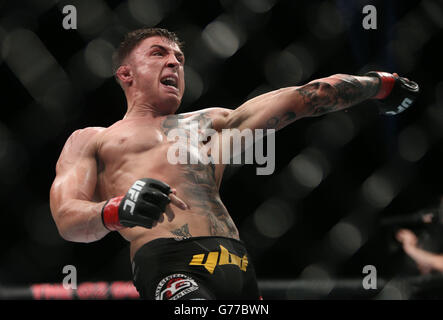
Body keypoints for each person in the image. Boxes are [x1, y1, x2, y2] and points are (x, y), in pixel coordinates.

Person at [49, 27, 419, 300]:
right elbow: (68, 218)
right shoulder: (94, 138)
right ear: (126, 74)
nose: (174, 63)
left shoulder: (210, 124)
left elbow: (306, 97)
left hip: (236, 263)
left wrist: (380, 83)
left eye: (179, 59)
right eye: (159, 54)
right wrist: (118, 209)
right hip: (170, 261)